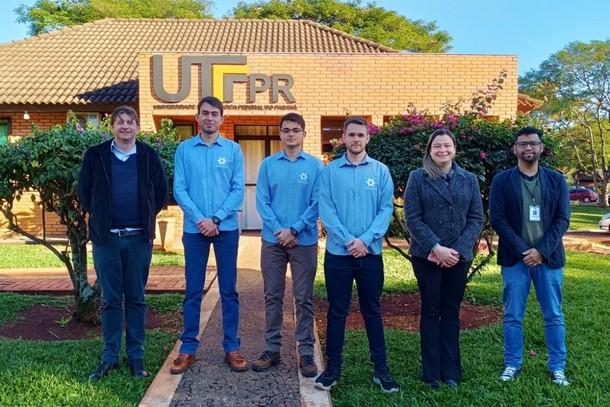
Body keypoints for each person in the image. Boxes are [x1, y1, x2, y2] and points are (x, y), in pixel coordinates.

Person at [78, 105, 168, 381]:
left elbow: (161, 192)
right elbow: (84, 193)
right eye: (120, 122)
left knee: (137, 298)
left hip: (139, 239)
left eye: (130, 122)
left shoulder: (149, 156)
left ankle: (137, 357)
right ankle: (110, 357)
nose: (126, 126)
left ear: (138, 127)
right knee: (111, 300)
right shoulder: (96, 156)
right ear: (112, 127)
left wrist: (145, 217)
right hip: (107, 240)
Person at [315, 116, 400, 393]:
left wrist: (364, 241)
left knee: (372, 311)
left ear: (368, 138)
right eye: (351, 135)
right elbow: (326, 210)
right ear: (343, 137)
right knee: (337, 312)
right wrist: (348, 241)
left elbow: (385, 210)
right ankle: (333, 369)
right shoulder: (329, 172)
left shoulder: (381, 171)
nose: (356, 139)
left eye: (360, 135)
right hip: (338, 255)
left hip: (370, 255)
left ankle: (381, 369)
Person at [170, 96, 246, 374]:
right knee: (192, 290)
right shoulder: (184, 150)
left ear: (222, 119)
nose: (210, 117)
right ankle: (187, 348)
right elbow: (180, 189)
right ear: (197, 117)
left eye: (215, 113)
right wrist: (201, 220)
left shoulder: (234, 150)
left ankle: (232, 347)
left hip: (225, 230)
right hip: (194, 230)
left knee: (229, 290)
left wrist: (215, 218)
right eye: (205, 113)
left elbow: (237, 189)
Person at [489, 126, 570, 386]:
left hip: (549, 259)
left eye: (533, 143)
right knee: (513, 315)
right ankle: (512, 363)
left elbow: (562, 219)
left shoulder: (556, 180)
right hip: (516, 260)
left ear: (541, 148)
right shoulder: (502, 180)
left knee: (553, 315)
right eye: (523, 143)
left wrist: (541, 251)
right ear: (515, 148)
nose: (528, 148)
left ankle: (557, 367)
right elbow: (498, 219)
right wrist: (525, 251)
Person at [404, 128, 484, 389]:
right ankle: (430, 373)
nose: (442, 150)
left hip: (459, 257)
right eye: (437, 146)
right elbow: (413, 218)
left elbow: (476, 218)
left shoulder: (469, 179)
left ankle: (451, 372)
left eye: (447, 146)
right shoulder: (418, 178)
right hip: (426, 256)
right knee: (430, 310)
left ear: (454, 149)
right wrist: (436, 248)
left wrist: (458, 250)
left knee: (450, 312)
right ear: (430, 149)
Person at [252, 113, 324, 377]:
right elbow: (262, 201)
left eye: (295, 130)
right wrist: (280, 230)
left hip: (303, 241)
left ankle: (305, 352)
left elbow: (317, 203)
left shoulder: (316, 167)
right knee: (272, 296)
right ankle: (272, 348)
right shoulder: (268, 165)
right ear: (280, 133)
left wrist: (294, 229)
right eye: (286, 130)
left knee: (303, 298)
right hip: (273, 241)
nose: (290, 134)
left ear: (304, 133)